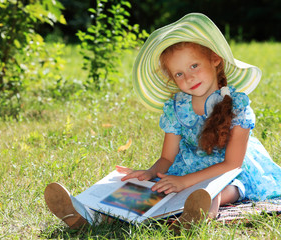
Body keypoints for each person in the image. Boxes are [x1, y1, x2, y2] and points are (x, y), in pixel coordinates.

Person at [44, 13, 281, 229]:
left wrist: (185, 182)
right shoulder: (176, 107)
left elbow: (232, 165)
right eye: (179, 74)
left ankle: (193, 220)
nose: (188, 77)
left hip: (228, 174)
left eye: (194, 66)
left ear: (215, 59)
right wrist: (151, 172)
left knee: (213, 191)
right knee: (144, 190)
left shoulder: (237, 105)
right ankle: (88, 215)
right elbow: (167, 157)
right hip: (185, 170)